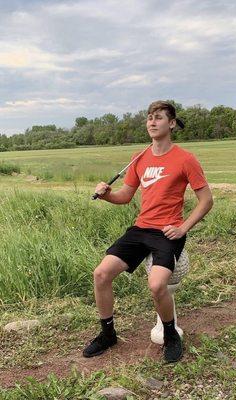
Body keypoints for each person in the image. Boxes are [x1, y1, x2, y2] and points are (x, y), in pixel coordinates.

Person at [83, 100, 213, 363]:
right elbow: (125, 196)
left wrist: (183, 227)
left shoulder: (185, 159)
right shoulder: (139, 158)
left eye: (158, 118)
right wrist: (107, 195)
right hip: (141, 228)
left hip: (167, 231)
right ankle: (107, 334)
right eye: (149, 118)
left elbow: (207, 200)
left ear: (172, 123)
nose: (152, 123)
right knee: (101, 274)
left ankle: (170, 336)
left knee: (156, 285)